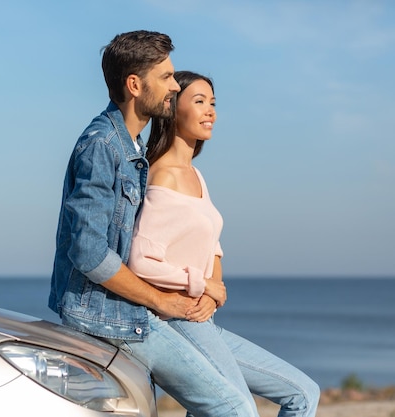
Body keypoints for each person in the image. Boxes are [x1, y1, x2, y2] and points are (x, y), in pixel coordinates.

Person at [49, 30, 261, 416]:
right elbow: (89, 253)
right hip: (105, 315)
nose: (172, 89)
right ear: (134, 85)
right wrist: (165, 301)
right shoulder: (102, 146)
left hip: (127, 310)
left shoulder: (131, 148)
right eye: (165, 78)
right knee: (234, 407)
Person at [128, 70, 321, 416]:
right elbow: (141, 260)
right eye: (199, 102)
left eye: (213, 103)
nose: (210, 112)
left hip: (204, 320)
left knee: (304, 393)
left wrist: (213, 290)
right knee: (240, 410)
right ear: (171, 108)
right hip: (177, 322)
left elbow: (212, 244)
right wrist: (203, 285)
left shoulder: (195, 174)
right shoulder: (164, 175)